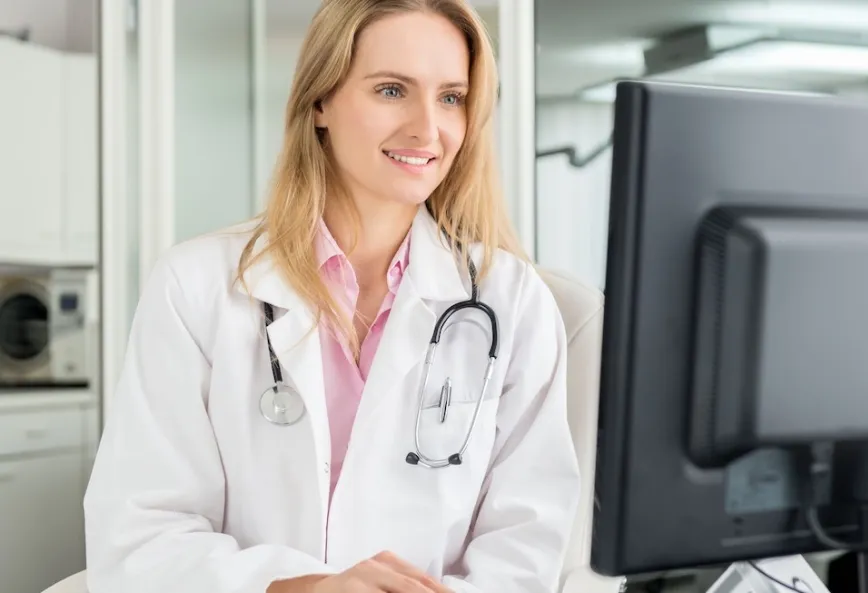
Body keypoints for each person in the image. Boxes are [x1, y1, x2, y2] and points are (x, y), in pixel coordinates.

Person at [82, 1, 580, 592]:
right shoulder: (198, 285)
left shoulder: (510, 300)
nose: (428, 128)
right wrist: (303, 588)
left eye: (451, 97)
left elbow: (527, 541)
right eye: (392, 90)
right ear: (320, 102)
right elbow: (140, 533)